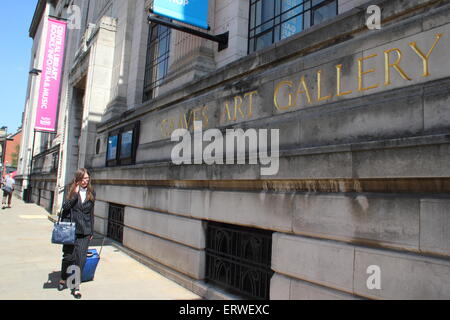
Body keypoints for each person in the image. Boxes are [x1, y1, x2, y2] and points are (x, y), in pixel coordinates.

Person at [58, 168, 95, 299]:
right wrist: (75, 195)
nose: (86, 181)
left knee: (81, 258)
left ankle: (76, 286)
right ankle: (63, 278)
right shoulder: (71, 189)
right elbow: (65, 206)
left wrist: (91, 230)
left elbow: (91, 213)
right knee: (68, 257)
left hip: (84, 230)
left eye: (87, 178)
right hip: (71, 229)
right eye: (84, 178)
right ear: (78, 179)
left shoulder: (91, 192)